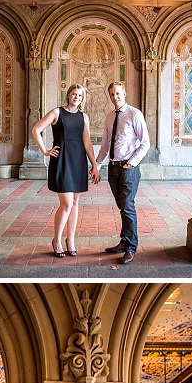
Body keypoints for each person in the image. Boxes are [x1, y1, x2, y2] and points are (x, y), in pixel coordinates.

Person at [31, 83, 100, 258]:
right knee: (67, 204)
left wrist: (94, 165)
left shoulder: (83, 117)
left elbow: (87, 143)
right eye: (74, 94)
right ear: (68, 95)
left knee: (75, 203)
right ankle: (57, 240)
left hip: (78, 161)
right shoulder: (57, 113)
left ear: (82, 99)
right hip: (62, 160)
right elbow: (36, 130)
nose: (76, 97)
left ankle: (71, 241)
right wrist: (45, 151)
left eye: (80, 95)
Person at [95, 82, 150, 265]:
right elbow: (105, 145)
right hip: (113, 168)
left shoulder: (135, 114)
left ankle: (130, 247)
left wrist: (131, 163)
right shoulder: (110, 117)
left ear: (124, 93)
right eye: (111, 94)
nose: (115, 97)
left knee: (127, 206)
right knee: (122, 207)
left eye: (117, 93)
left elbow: (145, 143)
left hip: (128, 168)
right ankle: (124, 241)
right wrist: (97, 165)